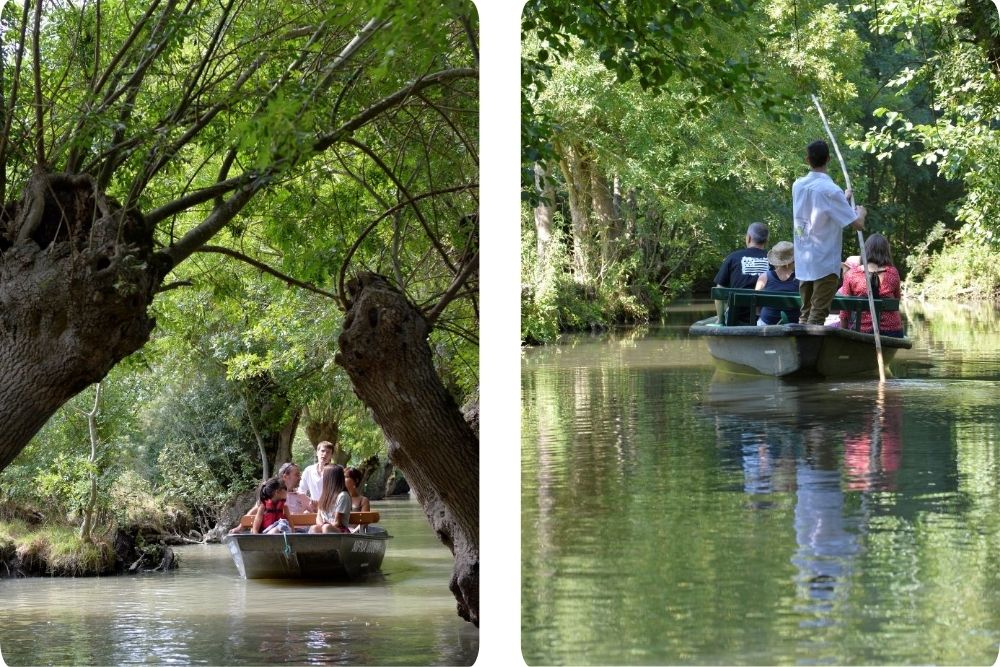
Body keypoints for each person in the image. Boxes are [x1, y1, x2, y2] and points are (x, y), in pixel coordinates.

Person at [792, 140, 867, 325]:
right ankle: (808, 351)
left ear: (807, 160)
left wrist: (843, 198)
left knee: (806, 311)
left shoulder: (798, 185)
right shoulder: (831, 191)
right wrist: (861, 213)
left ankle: (800, 349)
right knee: (818, 313)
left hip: (803, 261)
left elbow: (821, 205)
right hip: (824, 263)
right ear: (829, 159)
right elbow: (857, 224)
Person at [838, 233, 905, 336]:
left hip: (862, 331)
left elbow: (844, 311)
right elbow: (897, 300)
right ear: (886, 253)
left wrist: (843, 335)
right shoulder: (893, 273)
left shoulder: (851, 275)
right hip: (893, 331)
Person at [714, 222, 770, 325]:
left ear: (748, 238)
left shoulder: (733, 257)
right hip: (766, 320)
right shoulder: (774, 261)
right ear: (766, 241)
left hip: (735, 320)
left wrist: (721, 321)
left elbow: (719, 291)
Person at [754, 241, 800, 325]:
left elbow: (756, 305)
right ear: (793, 260)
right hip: (794, 325)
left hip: (766, 324)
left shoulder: (764, 277)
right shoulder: (800, 279)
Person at [311, 464, 352, 534]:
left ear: (330, 478)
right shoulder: (324, 495)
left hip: (341, 531)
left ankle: (326, 544)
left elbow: (337, 522)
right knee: (314, 528)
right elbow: (318, 517)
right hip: (326, 528)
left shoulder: (343, 496)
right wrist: (321, 527)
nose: (322, 478)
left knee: (326, 528)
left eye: (323, 475)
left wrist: (324, 527)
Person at [298, 441, 334, 510]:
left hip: (330, 509)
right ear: (317, 452)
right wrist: (308, 503)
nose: (325, 454)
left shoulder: (334, 471)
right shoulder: (309, 470)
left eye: (328, 452)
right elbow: (301, 491)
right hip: (313, 509)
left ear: (331, 455)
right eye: (322, 451)